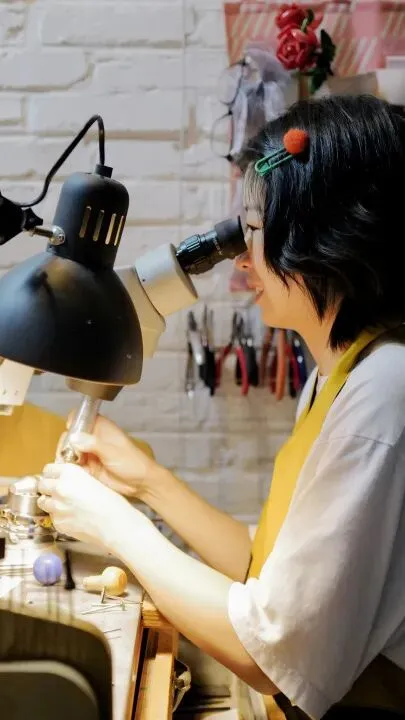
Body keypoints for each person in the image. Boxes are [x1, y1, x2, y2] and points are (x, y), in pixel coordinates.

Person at [38, 95, 405, 719]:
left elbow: (269, 650)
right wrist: (148, 483)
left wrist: (113, 524)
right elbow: (269, 577)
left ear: (323, 238)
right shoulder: (340, 375)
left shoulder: (384, 395)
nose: (239, 260)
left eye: (254, 233)